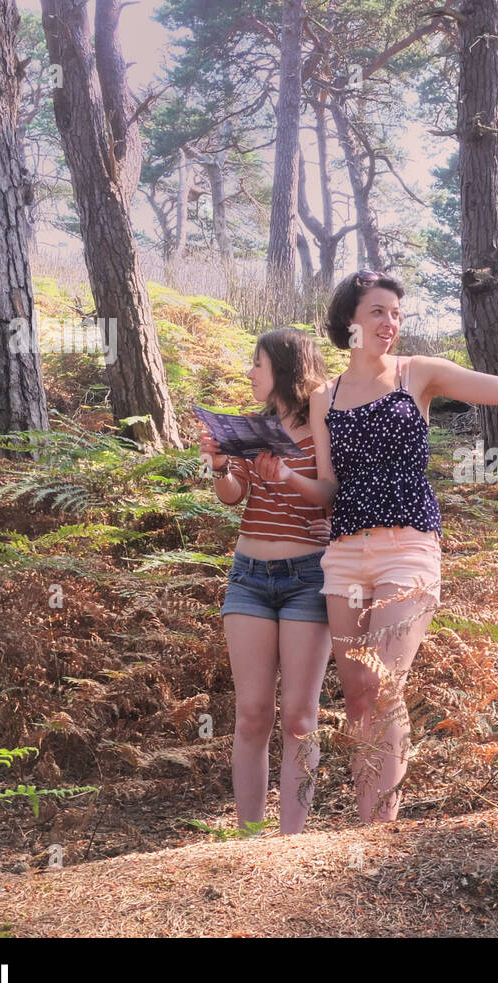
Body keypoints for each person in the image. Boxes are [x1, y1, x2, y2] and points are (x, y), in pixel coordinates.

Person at [271, 269, 498, 823]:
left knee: (386, 682)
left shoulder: (419, 374)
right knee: (358, 693)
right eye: (378, 312)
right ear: (349, 321)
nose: (390, 324)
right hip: (343, 555)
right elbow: (327, 489)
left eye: (396, 314)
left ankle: (378, 827)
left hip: (408, 546)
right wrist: (284, 478)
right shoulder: (324, 397)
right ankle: (365, 816)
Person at [197, 329, 333, 835]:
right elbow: (232, 497)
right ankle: (250, 836)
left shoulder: (323, 425)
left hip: (308, 577)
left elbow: (333, 497)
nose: (250, 373)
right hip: (249, 577)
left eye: (257, 364)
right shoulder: (251, 428)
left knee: (300, 715)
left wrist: (289, 478)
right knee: (253, 712)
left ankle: (290, 840)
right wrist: (217, 465)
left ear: (283, 367)